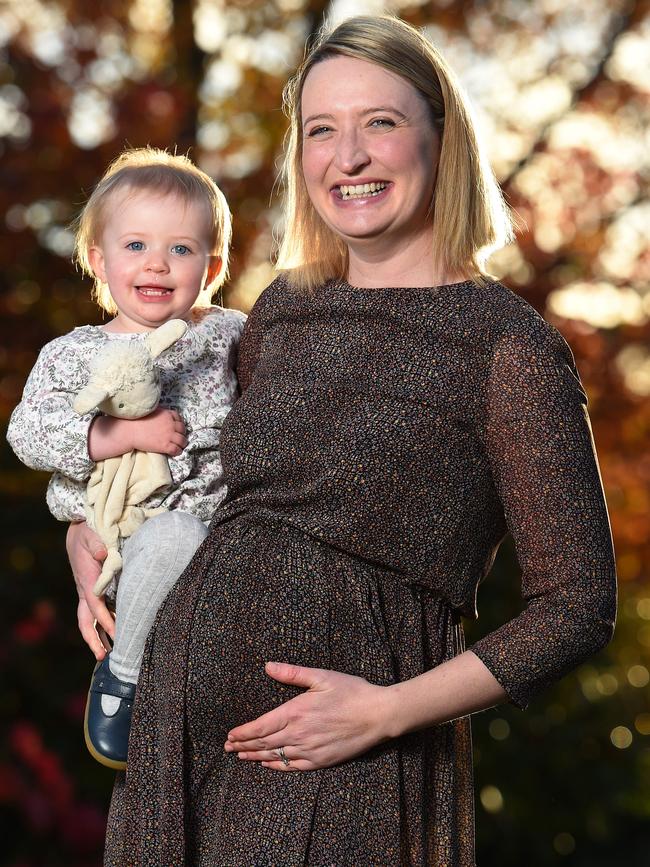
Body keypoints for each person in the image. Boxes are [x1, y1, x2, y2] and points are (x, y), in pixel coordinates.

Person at [69, 16, 616, 865]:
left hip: (343, 762)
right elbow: (182, 468)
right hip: (171, 743)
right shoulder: (281, 309)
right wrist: (90, 532)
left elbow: (577, 606)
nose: (347, 156)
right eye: (321, 130)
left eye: (381, 123)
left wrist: (387, 710)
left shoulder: (507, 349)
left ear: (442, 137)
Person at [7, 147, 245, 770]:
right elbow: (28, 433)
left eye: (182, 250)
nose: (157, 264)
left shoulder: (226, 336)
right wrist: (117, 434)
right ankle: (125, 673)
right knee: (171, 536)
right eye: (135, 245)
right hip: (130, 534)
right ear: (98, 260)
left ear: (212, 267)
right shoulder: (73, 354)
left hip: (227, 542)